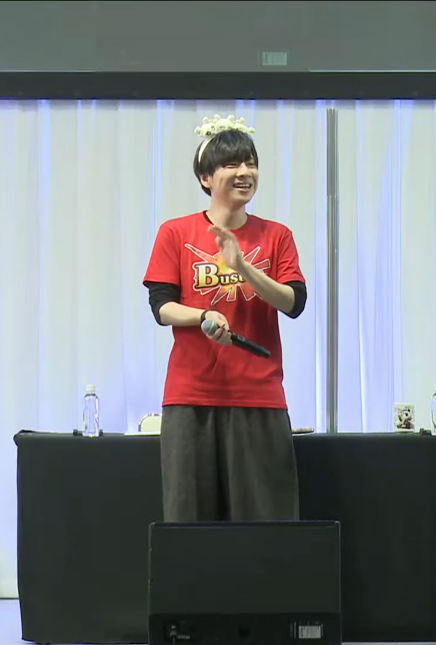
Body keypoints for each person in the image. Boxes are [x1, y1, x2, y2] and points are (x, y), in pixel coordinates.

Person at [143, 114, 308, 523]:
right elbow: (162, 306)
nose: (245, 172)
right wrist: (203, 314)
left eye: (251, 163)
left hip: (259, 395)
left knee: (266, 521)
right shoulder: (175, 232)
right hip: (190, 396)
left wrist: (244, 267)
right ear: (205, 177)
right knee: (188, 521)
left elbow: (293, 302)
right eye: (232, 164)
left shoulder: (277, 236)